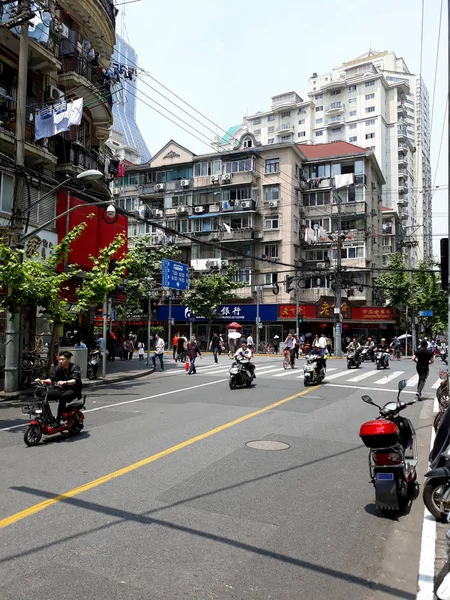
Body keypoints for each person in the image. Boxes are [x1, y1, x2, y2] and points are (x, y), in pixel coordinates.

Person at [37, 351, 82, 426]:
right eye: (60, 359)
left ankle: (58, 419)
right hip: (62, 389)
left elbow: (75, 380)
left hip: (73, 390)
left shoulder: (75, 367)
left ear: (69, 359)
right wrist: (41, 380)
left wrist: (65, 382)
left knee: (62, 398)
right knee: (44, 395)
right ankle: (49, 417)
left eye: (63, 359)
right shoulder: (58, 368)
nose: (61, 361)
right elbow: (51, 379)